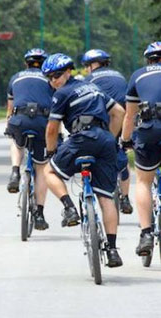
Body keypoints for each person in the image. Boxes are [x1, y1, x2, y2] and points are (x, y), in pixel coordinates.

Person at [41, 53, 125, 267]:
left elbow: (52, 129)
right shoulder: (93, 88)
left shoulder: (62, 94)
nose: (53, 81)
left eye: (57, 75)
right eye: (49, 78)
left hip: (80, 138)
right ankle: (113, 250)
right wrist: (111, 138)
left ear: (69, 71)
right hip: (105, 140)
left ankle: (69, 208)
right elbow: (119, 112)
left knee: (49, 172)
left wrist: (51, 153)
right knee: (106, 196)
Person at [4, 48, 53, 230]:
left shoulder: (15, 77)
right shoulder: (51, 78)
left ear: (26, 63)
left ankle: (15, 171)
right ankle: (39, 214)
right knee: (41, 168)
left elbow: (10, 109)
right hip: (42, 122)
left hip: (19, 120)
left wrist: (9, 125)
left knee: (16, 141)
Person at [121, 41, 161, 258]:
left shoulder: (138, 75)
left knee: (144, 181)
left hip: (149, 129)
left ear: (148, 59)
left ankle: (146, 234)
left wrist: (125, 140)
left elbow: (129, 116)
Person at [81, 49, 133, 214]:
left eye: (88, 65)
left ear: (93, 65)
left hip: (102, 120)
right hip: (123, 118)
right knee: (121, 152)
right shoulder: (120, 76)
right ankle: (125, 198)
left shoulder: (88, 80)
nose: (87, 69)